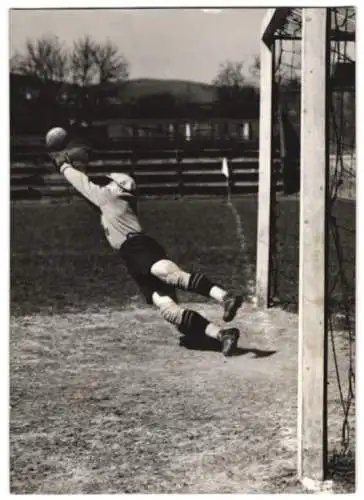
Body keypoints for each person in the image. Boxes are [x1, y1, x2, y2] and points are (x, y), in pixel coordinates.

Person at [48, 143, 243, 356]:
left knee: (167, 274)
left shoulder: (109, 197)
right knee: (169, 311)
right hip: (131, 255)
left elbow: (82, 183)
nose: (102, 185)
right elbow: (88, 190)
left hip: (138, 246)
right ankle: (223, 334)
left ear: (117, 187)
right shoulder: (110, 200)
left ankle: (225, 296)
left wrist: (63, 164)